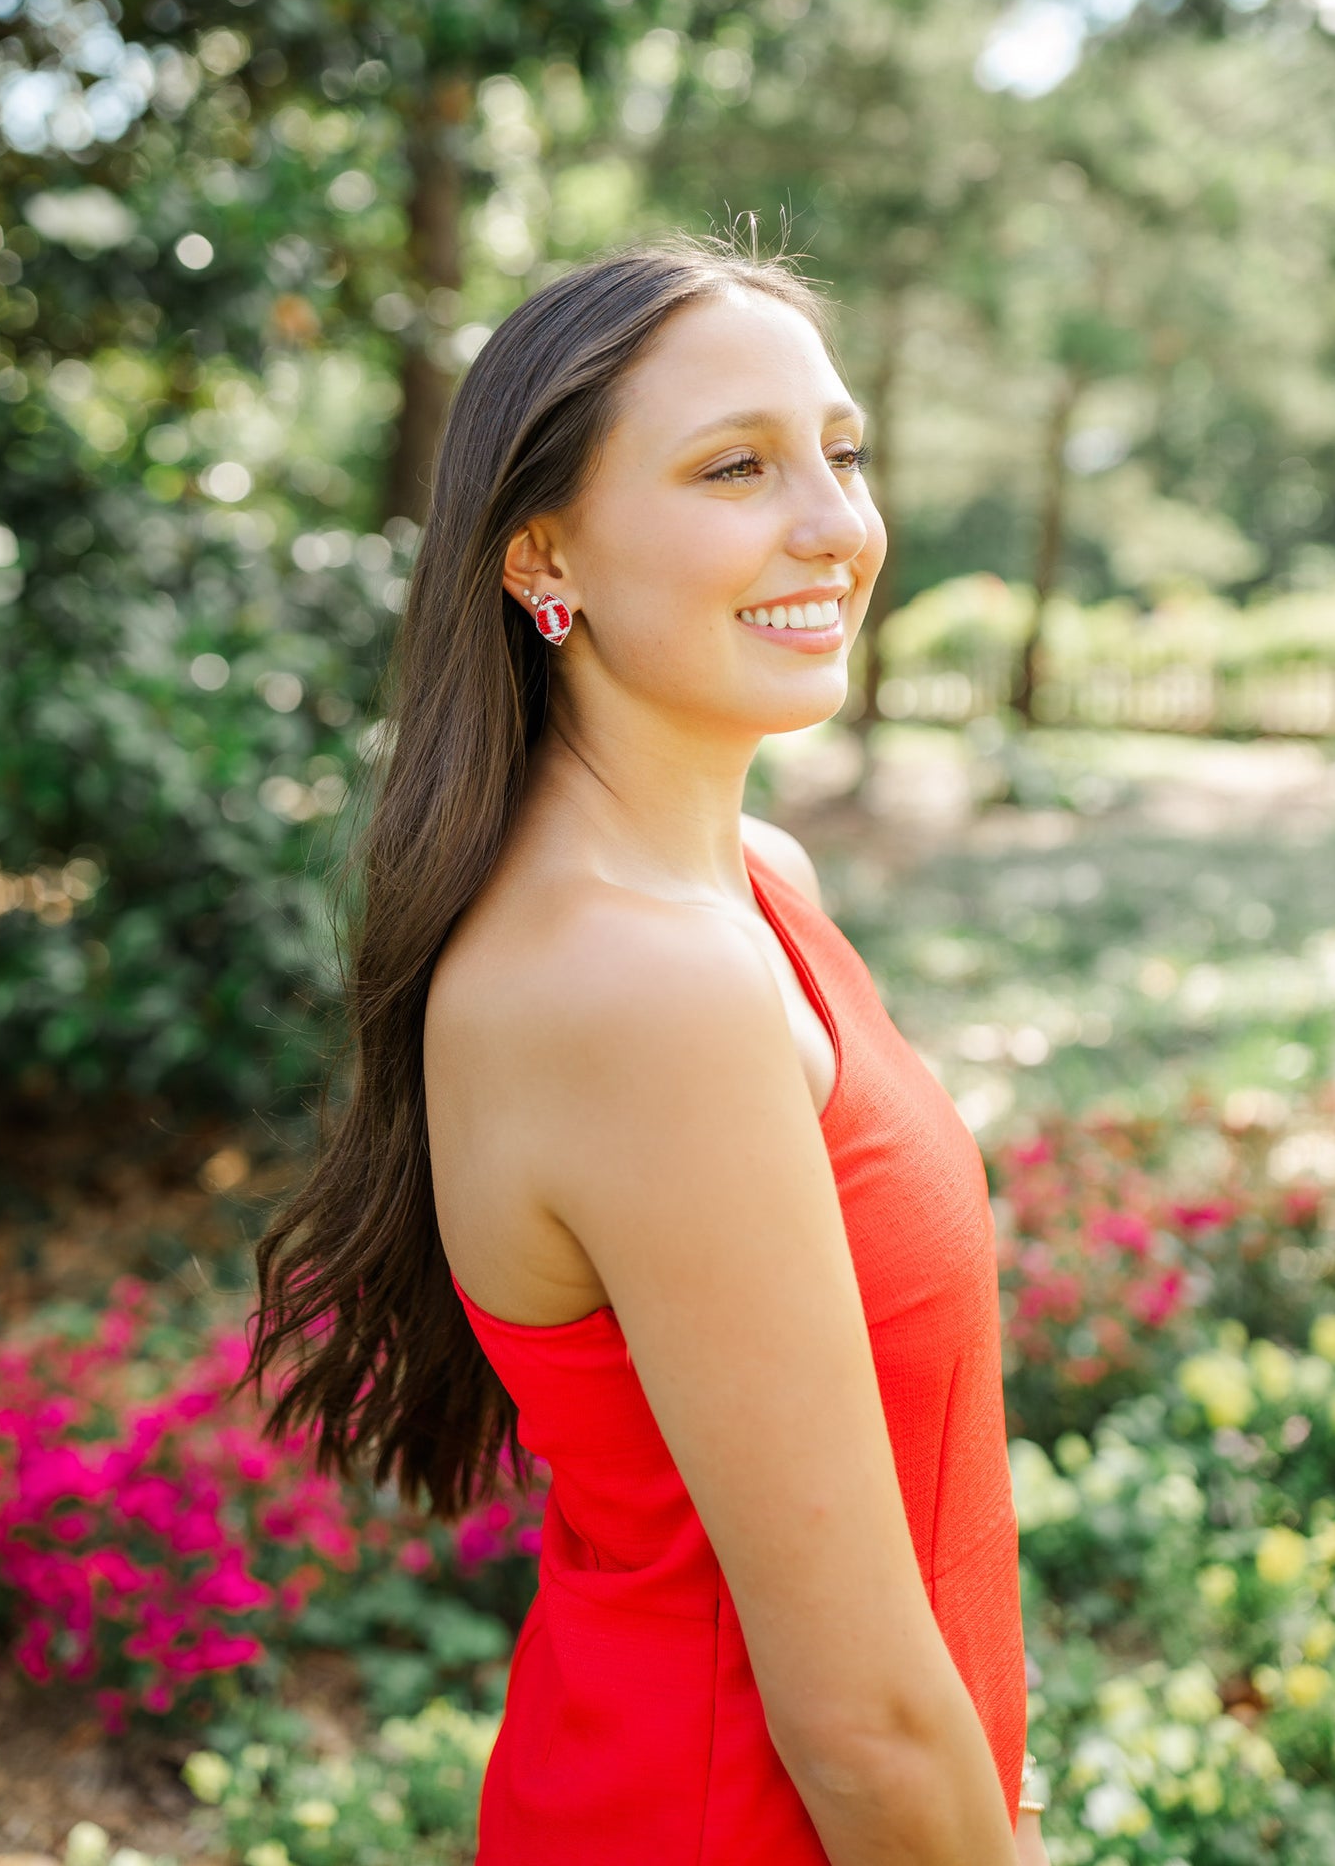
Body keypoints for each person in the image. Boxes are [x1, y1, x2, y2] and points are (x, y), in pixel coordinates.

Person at [251, 235, 1049, 1865]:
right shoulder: (634, 989)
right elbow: (857, 1722)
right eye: (734, 466)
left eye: (840, 451)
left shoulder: (754, 891)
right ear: (544, 552)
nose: (833, 523)